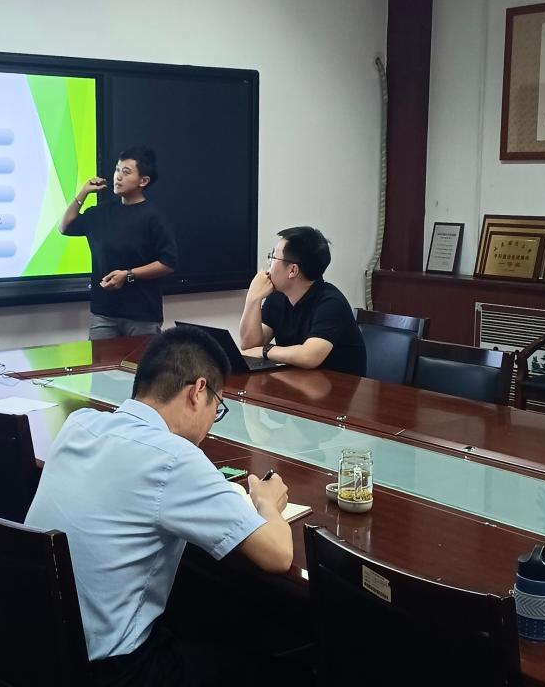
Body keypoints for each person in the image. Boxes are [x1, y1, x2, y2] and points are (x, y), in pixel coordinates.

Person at [25, 327, 293, 686]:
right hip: (113, 671)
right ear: (198, 391)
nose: (211, 423)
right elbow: (278, 555)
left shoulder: (80, 423)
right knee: (264, 664)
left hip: (41, 643)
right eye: (217, 407)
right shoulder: (174, 457)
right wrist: (267, 503)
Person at [59, 146, 178, 340]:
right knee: (99, 361)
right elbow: (65, 227)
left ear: (143, 181)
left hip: (142, 315)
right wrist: (83, 193)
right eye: (117, 170)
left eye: (126, 172)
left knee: (142, 361)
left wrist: (128, 275)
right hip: (103, 312)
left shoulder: (153, 217)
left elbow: (168, 263)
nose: (118, 176)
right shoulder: (101, 213)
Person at [239, 225, 367, 376]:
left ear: (293, 270)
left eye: (273, 257)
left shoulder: (331, 303)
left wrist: (265, 350)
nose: (268, 264)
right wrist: (253, 299)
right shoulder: (278, 297)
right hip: (300, 381)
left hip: (340, 386)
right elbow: (249, 346)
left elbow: (309, 356)